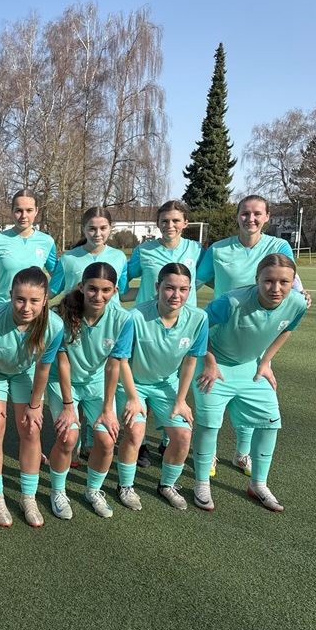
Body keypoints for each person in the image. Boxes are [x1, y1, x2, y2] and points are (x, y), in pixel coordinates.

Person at [195, 195, 307, 478]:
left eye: (257, 213)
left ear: (267, 216)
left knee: (251, 394)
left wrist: (301, 294)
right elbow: (197, 281)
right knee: (215, 395)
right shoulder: (219, 249)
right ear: (237, 216)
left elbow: (290, 279)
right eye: (245, 213)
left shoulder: (279, 245)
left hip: (260, 333)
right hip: (222, 332)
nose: (251, 218)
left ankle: (242, 453)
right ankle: (209, 456)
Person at [192, 254, 306, 512]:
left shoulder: (298, 303)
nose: (276, 289)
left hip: (250, 368)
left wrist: (265, 362)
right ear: (257, 280)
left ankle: (258, 484)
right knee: (209, 425)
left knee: (270, 423)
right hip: (214, 365)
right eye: (268, 281)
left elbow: (287, 329)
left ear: (293, 283)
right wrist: (209, 363)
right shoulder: (231, 301)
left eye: (284, 282)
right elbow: (199, 329)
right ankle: (201, 484)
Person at [113, 263, 208, 511]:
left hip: (167, 384)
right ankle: (125, 485)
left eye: (183, 289)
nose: (176, 295)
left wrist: (181, 400)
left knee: (184, 435)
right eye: (169, 288)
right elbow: (121, 361)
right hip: (132, 384)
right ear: (157, 288)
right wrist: (134, 398)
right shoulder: (133, 316)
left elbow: (190, 361)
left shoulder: (199, 318)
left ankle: (167, 485)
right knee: (135, 433)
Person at [0, 266, 64, 527]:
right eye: (20, 299)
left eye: (35, 300)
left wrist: (36, 406)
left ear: (45, 299)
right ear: (10, 294)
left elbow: (43, 368)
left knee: (31, 429)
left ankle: (28, 497)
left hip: (24, 375)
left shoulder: (54, 325)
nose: (26, 307)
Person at [45, 263, 134, 520]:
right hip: (63, 383)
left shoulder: (123, 319)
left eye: (106, 290)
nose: (98, 296)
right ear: (81, 287)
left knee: (107, 440)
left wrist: (108, 409)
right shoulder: (61, 315)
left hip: (96, 384)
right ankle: (57, 492)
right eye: (92, 289)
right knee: (68, 437)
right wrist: (69, 406)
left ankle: (93, 490)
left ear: (115, 291)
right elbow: (61, 362)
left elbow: (114, 365)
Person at [120, 200, 203, 467]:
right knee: (142, 377)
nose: (170, 225)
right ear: (158, 224)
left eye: (176, 220)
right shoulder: (144, 251)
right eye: (165, 221)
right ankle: (141, 444)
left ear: (185, 224)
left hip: (182, 327)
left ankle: (169, 438)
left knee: (176, 381)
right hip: (148, 324)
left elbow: (215, 277)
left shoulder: (196, 249)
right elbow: (123, 282)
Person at [49, 206, 130, 465]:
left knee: (101, 381)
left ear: (110, 229)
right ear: (83, 230)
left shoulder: (118, 257)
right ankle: (76, 442)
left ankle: (92, 440)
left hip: (106, 332)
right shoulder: (69, 258)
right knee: (74, 374)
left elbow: (122, 292)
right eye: (92, 228)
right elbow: (54, 290)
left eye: (103, 228)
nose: (98, 233)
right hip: (76, 325)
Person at [0, 189, 57, 310]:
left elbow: (57, 276)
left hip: (32, 311)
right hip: (2, 309)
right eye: (19, 211)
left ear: (36, 211)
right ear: (12, 211)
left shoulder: (47, 242)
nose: (24, 216)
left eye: (29, 210)